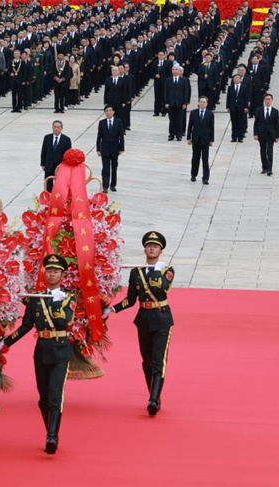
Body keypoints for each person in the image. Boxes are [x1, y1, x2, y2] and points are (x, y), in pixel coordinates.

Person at [0, 254, 76, 455]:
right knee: (43, 399)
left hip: (60, 350)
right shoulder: (36, 298)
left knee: (55, 396)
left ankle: (52, 436)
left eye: (56, 271)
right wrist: (6, 342)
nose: (52, 274)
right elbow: (26, 326)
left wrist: (58, 303)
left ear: (62, 274)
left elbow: (62, 322)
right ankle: (49, 430)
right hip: (42, 350)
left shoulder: (68, 298)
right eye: (49, 271)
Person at [106, 232, 174, 416]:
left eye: (156, 246)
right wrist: (112, 310)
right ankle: (154, 395)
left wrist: (157, 271)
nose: (152, 249)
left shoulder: (167, 269)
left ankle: (152, 399)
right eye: (149, 246)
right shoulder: (136, 272)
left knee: (159, 360)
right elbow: (131, 300)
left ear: (160, 250)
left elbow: (161, 287)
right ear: (145, 248)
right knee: (147, 361)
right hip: (144, 318)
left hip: (161, 318)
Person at [96, 105, 125, 192]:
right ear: (104, 112)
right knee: (105, 168)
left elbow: (121, 136)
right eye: (107, 111)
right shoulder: (102, 123)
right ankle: (105, 186)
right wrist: (98, 148)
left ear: (113, 112)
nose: (108, 112)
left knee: (114, 167)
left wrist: (121, 148)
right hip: (105, 149)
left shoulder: (118, 122)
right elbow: (99, 136)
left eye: (110, 110)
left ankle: (113, 184)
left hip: (115, 149)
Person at [186, 96, 215, 184]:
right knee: (195, 158)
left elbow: (212, 128)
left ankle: (205, 177)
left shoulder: (210, 114)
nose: (202, 103)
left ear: (207, 104)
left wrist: (211, 140)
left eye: (204, 102)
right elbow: (190, 126)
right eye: (201, 102)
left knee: (205, 159)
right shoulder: (193, 113)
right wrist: (188, 138)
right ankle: (193, 175)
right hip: (196, 139)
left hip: (205, 139)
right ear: (198, 103)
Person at [40, 120, 72, 192]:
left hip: (60, 165)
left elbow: (68, 153)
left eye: (58, 127)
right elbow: (44, 151)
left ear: (61, 128)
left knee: (60, 183)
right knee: (48, 182)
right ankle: (48, 197)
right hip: (49, 164)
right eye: (54, 127)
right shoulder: (47, 137)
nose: (56, 129)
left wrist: (67, 165)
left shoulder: (66, 139)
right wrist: (42, 163)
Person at [254, 93, 279, 176]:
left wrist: (277, 136)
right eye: (266, 99)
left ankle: (269, 169)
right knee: (263, 151)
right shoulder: (259, 110)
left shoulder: (275, 111)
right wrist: (255, 134)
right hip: (261, 133)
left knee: (269, 151)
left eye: (269, 99)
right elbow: (256, 123)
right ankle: (264, 167)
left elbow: (277, 124)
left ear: (271, 101)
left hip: (271, 134)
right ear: (264, 100)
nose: (268, 101)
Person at [164, 64, 190, 141]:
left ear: (179, 71)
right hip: (171, 103)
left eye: (176, 70)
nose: (174, 71)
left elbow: (186, 92)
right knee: (172, 120)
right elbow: (165, 92)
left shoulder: (184, 80)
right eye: (173, 70)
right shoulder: (168, 80)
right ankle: (171, 134)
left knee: (179, 119)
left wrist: (185, 103)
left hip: (180, 103)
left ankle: (179, 134)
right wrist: (166, 102)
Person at [226, 73, 250, 143]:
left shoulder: (244, 87)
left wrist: (246, 107)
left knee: (241, 122)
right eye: (234, 79)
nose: (236, 80)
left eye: (237, 79)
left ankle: (240, 137)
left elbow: (246, 97)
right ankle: (234, 137)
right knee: (234, 122)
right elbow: (228, 97)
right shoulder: (231, 87)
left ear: (240, 80)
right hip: (233, 107)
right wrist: (228, 106)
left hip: (241, 107)